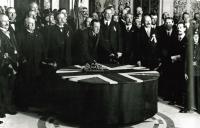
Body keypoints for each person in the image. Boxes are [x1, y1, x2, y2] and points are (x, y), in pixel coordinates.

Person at [16, 17, 44, 108]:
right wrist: (23, 59)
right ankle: (24, 104)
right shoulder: (20, 35)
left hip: (37, 64)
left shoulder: (38, 35)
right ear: (25, 24)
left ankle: (34, 102)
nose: (31, 25)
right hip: (26, 64)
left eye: (33, 23)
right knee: (25, 84)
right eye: (29, 23)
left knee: (35, 84)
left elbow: (42, 49)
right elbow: (18, 49)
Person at [0, 14, 18, 117]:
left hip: (13, 64)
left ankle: (8, 107)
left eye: (7, 21)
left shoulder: (11, 32)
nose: (7, 23)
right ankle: (1, 109)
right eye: (3, 21)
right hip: (3, 65)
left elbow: (16, 47)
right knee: (2, 87)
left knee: (10, 87)